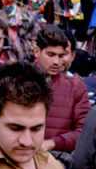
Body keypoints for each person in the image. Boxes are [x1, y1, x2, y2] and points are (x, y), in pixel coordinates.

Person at [34, 24, 90, 152]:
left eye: (60, 56)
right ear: (37, 51)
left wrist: (53, 143)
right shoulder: (18, 81)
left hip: (57, 161)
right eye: (51, 54)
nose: (56, 62)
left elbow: (84, 132)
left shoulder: (75, 87)